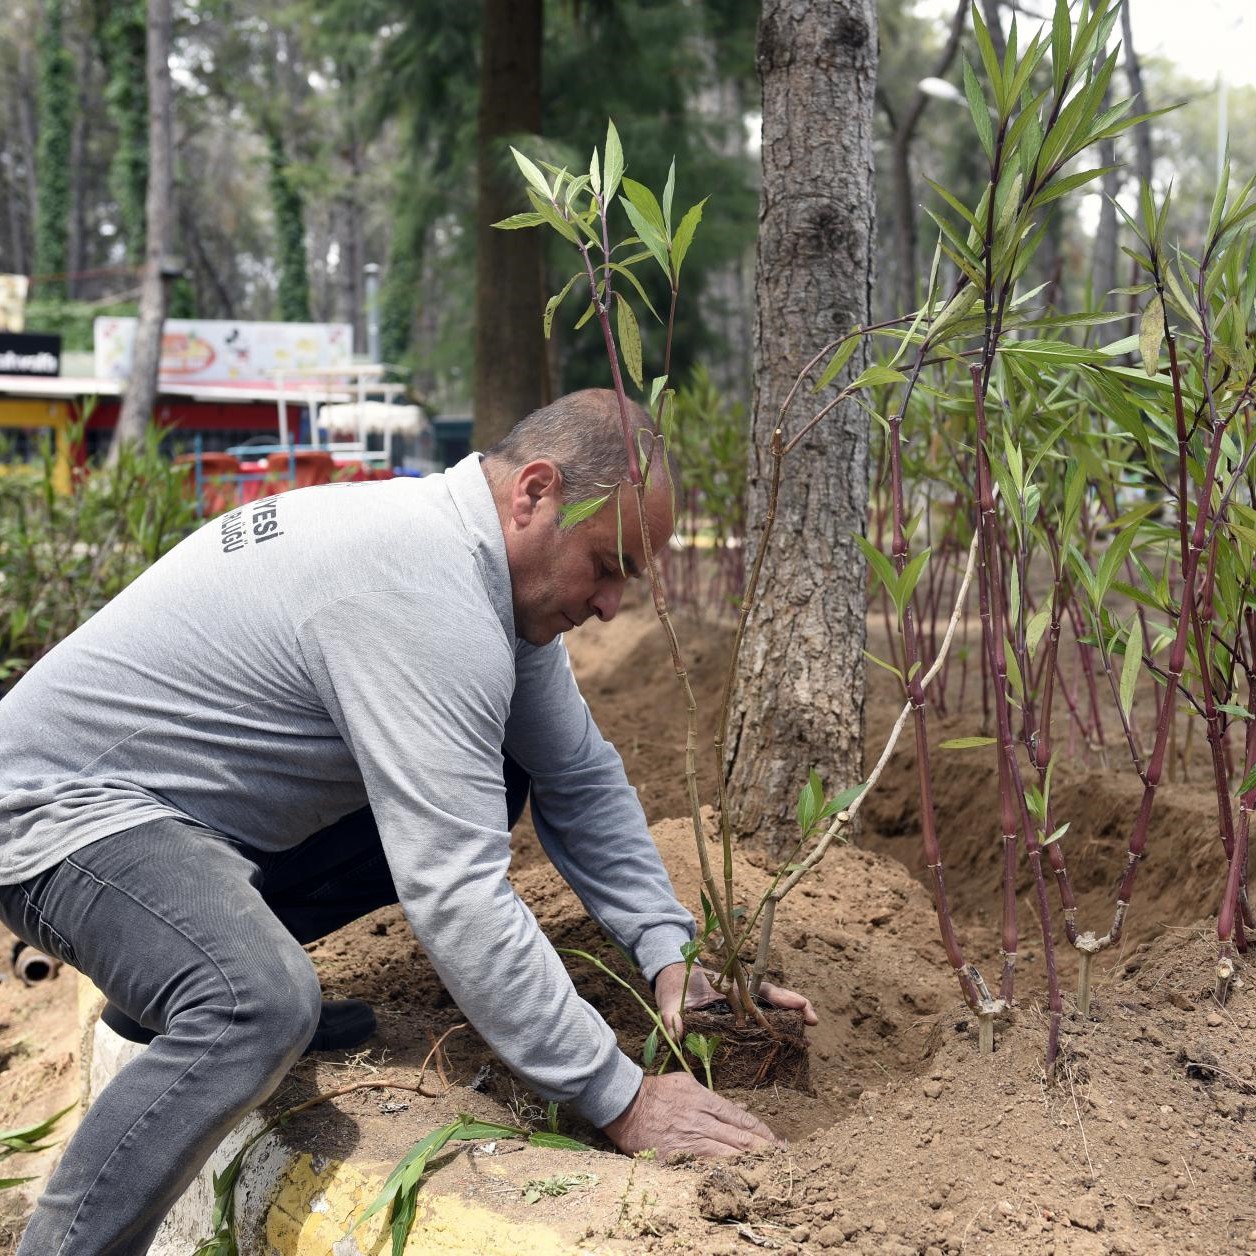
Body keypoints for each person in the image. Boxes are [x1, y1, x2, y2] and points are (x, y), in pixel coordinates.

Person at [0, 389, 816, 1254]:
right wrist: (622, 1097)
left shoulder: (479, 574)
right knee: (255, 1004)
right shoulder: (421, 592)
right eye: (606, 564)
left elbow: (575, 775)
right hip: (60, 812)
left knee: (500, 771)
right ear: (533, 493)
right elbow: (456, 893)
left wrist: (671, 957)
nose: (613, 604)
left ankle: (165, 990)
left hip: (182, 816)